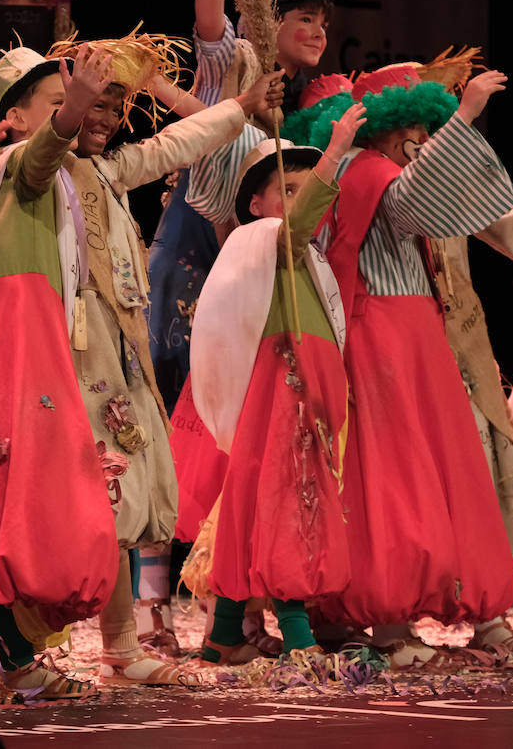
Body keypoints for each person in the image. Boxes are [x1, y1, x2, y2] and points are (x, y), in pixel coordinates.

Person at [0, 40, 282, 701]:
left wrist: (239, 110)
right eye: (73, 102)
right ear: (18, 117)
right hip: (38, 355)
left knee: (104, 492)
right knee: (11, 492)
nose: (94, 116)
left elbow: (167, 149)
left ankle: (89, 649)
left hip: (97, 348)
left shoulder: (94, 173)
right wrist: (72, 108)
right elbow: (46, 149)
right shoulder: (24, 164)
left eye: (110, 105)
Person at [310, 63, 513, 669]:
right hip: (384, 337)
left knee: (434, 466)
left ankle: (447, 607)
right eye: (418, 131)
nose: (424, 142)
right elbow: (413, 202)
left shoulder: (379, 170)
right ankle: (389, 621)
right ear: (391, 127)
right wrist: (466, 116)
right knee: (394, 472)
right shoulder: (369, 172)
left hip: (413, 334)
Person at [182, 103, 365, 664]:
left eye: (302, 188)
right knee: (290, 498)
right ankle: (297, 633)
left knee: (252, 499)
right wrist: (333, 156)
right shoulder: (263, 239)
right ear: (256, 204)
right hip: (282, 389)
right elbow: (298, 226)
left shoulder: (302, 256)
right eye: (287, 188)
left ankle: (225, 633)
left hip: (302, 386)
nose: (298, 197)